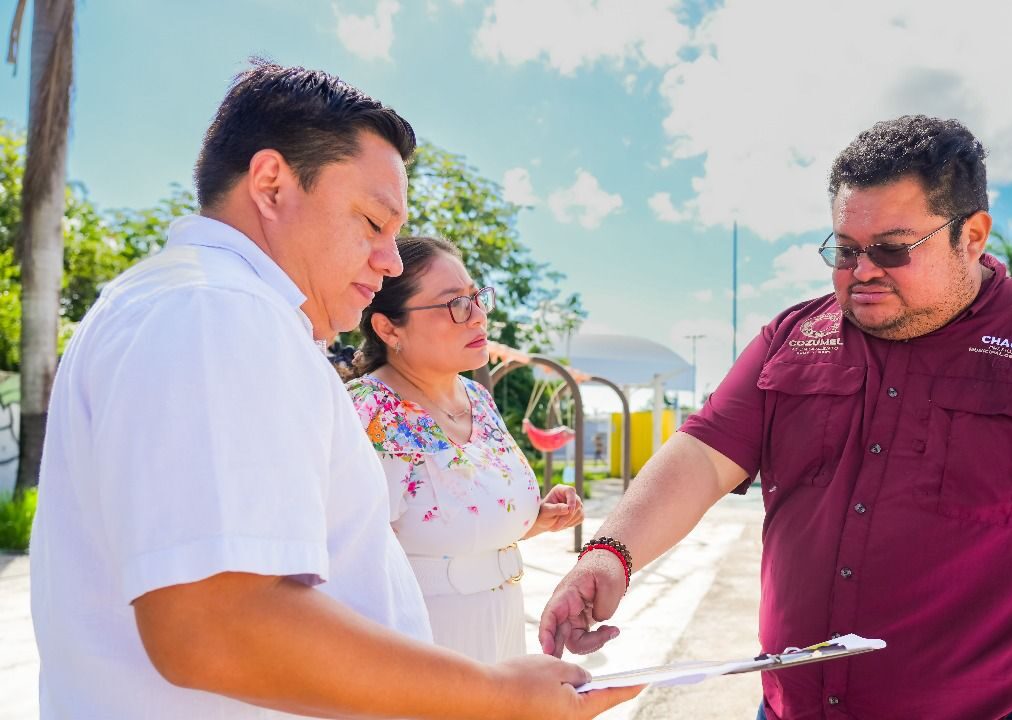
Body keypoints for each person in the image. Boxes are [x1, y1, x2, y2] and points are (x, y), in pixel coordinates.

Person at [539, 115, 1012, 720]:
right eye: (845, 248)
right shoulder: (797, 333)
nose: (861, 273)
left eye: (892, 250)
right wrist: (611, 552)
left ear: (974, 234)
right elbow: (702, 456)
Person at [29, 60, 638, 719]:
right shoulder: (216, 311)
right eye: (373, 223)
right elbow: (215, 625)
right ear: (271, 185)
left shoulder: (198, 305)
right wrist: (493, 696)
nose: (392, 260)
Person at [347, 236, 584, 662]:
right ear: (388, 327)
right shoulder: (369, 410)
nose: (478, 317)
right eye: (455, 303)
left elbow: (457, 520)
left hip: (502, 635)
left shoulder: (477, 397)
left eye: (477, 298)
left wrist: (532, 517)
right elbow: (352, 554)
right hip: (420, 648)